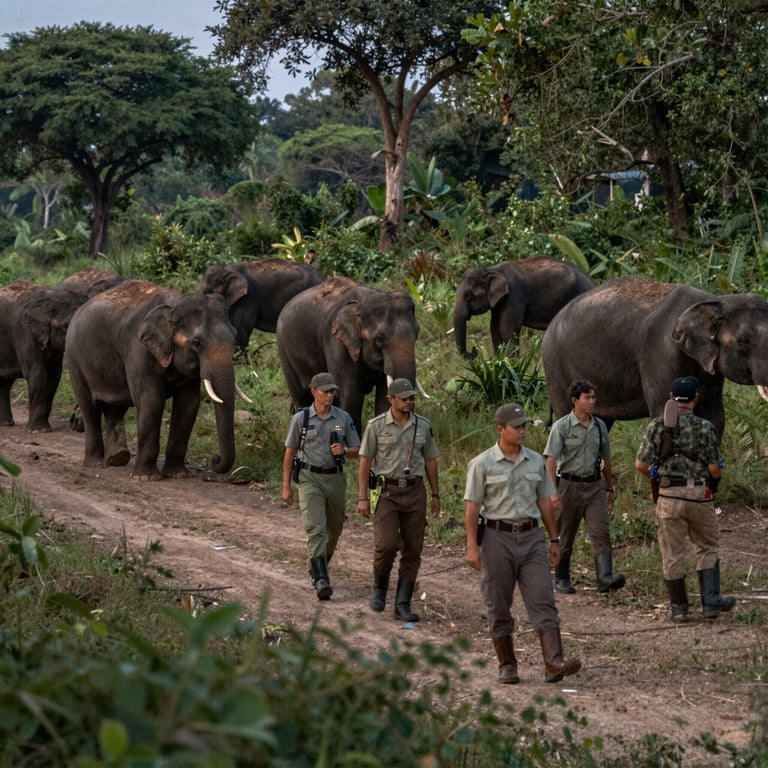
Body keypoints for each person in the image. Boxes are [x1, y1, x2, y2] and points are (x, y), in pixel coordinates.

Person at [464, 403, 581, 685]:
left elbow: (544, 501)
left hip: (531, 538)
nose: (522, 431)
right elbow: (472, 507)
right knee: (498, 602)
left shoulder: (535, 461)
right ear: (500, 429)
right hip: (496, 538)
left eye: (524, 426)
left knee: (543, 598)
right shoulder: (482, 464)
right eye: (516, 427)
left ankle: (554, 662)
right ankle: (507, 664)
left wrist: (554, 539)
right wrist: (472, 545)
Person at [635, 376, 735, 622]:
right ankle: (710, 602)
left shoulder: (658, 426)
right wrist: (713, 480)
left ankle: (679, 608)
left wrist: (656, 476)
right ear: (695, 399)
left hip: (669, 496)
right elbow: (714, 469)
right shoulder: (705, 427)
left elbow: (640, 464)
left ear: (671, 398)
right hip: (699, 495)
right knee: (707, 547)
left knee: (672, 553)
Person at [357, 378, 441, 622]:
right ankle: (379, 587)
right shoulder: (376, 426)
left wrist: (436, 494)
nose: (409, 402)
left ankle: (402, 604)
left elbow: (430, 460)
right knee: (387, 543)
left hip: (415, 491)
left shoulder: (422, 426)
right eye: (404, 398)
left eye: (411, 398)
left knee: (414, 549)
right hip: (387, 492)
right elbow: (365, 462)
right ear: (390, 399)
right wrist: (362, 497)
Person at [282, 372, 360, 600]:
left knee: (334, 530)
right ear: (314, 392)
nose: (329, 395)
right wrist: (286, 486)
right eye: (325, 391)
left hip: (335, 479)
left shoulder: (343, 418)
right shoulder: (301, 419)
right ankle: (322, 579)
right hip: (310, 478)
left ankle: (317, 566)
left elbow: (357, 449)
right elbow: (289, 454)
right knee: (316, 528)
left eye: (332, 391)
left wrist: (345, 451)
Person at [543, 380, 625, 594]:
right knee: (565, 532)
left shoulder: (599, 427)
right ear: (574, 400)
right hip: (569, 486)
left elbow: (606, 460)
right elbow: (551, 459)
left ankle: (605, 577)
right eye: (587, 398)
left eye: (593, 398)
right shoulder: (562, 426)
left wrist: (610, 488)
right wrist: (552, 491)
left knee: (601, 531)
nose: (591, 402)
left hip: (594, 486)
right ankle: (561, 577)